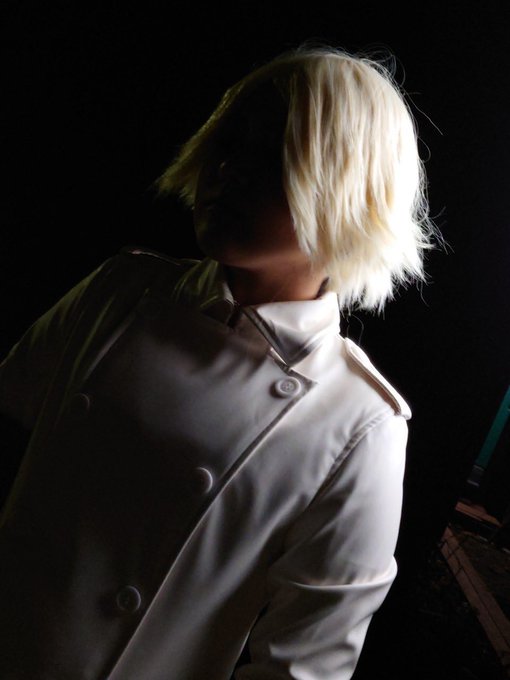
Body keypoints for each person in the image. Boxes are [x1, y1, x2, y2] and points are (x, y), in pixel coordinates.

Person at [0, 42, 437, 679]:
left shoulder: (360, 424)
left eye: (274, 154)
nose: (228, 170)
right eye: (228, 143)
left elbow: (302, 668)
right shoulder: (119, 291)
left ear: (350, 188)